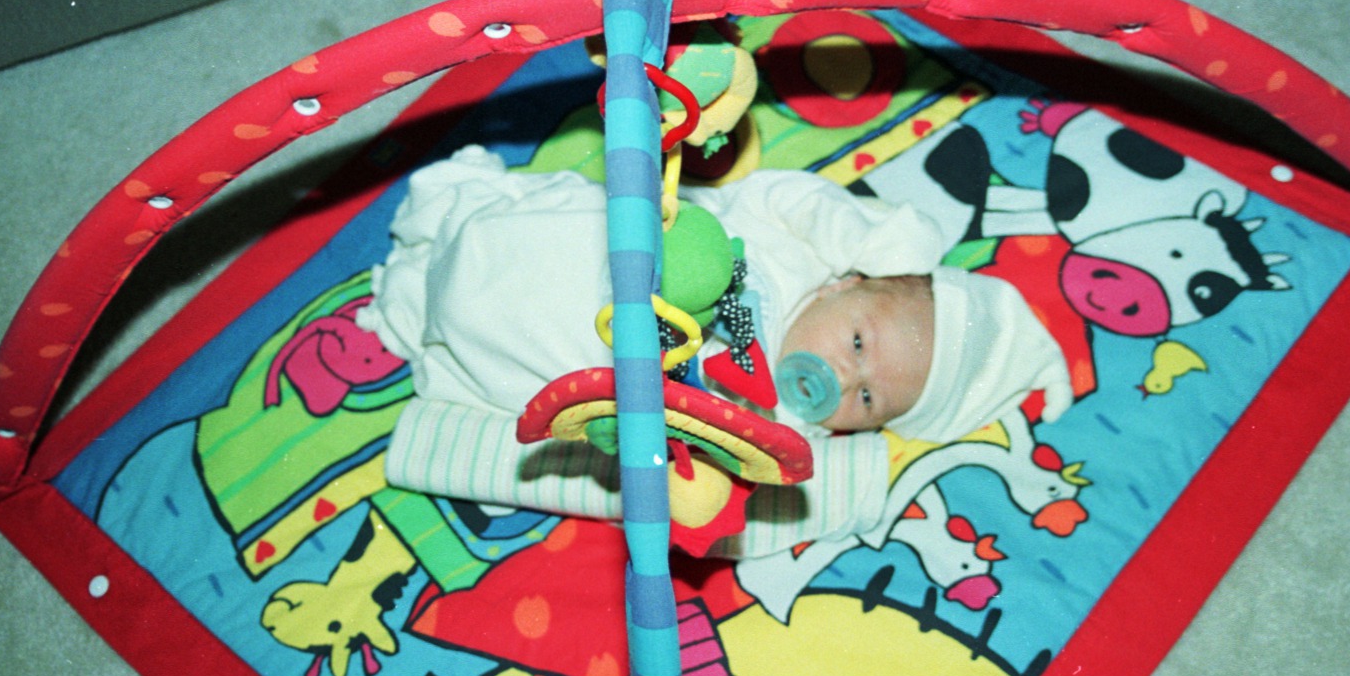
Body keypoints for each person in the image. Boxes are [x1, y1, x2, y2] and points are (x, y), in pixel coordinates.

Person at [358, 145, 1073, 558]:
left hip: (536, 347)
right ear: (844, 285)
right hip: (579, 258)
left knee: (522, 360)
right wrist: (878, 237)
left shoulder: (787, 432)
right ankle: (459, 226)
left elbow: (743, 493)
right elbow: (775, 195)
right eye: (858, 343)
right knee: (547, 235)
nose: (843, 377)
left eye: (866, 398)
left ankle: (431, 306)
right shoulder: (799, 255)